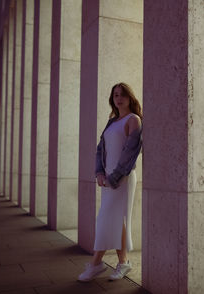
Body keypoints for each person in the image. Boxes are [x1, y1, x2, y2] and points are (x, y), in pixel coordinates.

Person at [78, 82, 143, 282]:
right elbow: (100, 149)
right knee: (114, 219)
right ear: (112, 99)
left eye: (122, 94)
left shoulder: (134, 120)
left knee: (106, 217)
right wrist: (99, 173)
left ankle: (96, 263)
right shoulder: (112, 121)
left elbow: (130, 154)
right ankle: (123, 262)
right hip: (107, 179)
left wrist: (113, 177)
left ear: (129, 97)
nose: (119, 98)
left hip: (122, 178)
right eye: (115, 95)